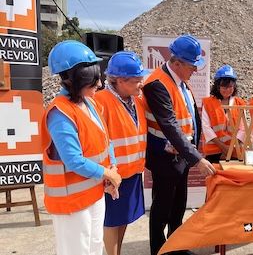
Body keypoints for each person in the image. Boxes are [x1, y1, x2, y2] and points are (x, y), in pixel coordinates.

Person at [41, 40, 122, 255]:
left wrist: (111, 171)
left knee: (94, 248)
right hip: (72, 204)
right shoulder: (60, 114)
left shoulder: (89, 103)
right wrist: (107, 174)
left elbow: (106, 139)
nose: (100, 85)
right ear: (75, 81)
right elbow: (73, 160)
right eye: (93, 81)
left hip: (94, 194)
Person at [142, 34, 216, 255]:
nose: (196, 70)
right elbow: (169, 124)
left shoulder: (181, 82)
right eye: (192, 66)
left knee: (178, 205)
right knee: (162, 207)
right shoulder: (156, 84)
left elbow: (190, 116)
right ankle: (158, 248)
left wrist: (192, 151)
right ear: (176, 63)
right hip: (164, 158)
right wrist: (197, 158)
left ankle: (177, 245)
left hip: (180, 156)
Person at [94, 51, 149, 255]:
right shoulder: (101, 100)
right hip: (113, 174)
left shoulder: (136, 99)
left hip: (133, 171)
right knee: (111, 221)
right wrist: (106, 173)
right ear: (119, 80)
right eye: (136, 80)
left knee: (124, 217)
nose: (140, 84)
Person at [201, 65, 246, 163]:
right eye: (224, 86)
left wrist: (231, 147)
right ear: (217, 86)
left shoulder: (240, 103)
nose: (227, 90)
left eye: (230, 86)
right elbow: (206, 128)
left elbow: (243, 128)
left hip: (234, 151)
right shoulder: (208, 103)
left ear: (234, 86)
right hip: (214, 152)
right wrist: (223, 147)